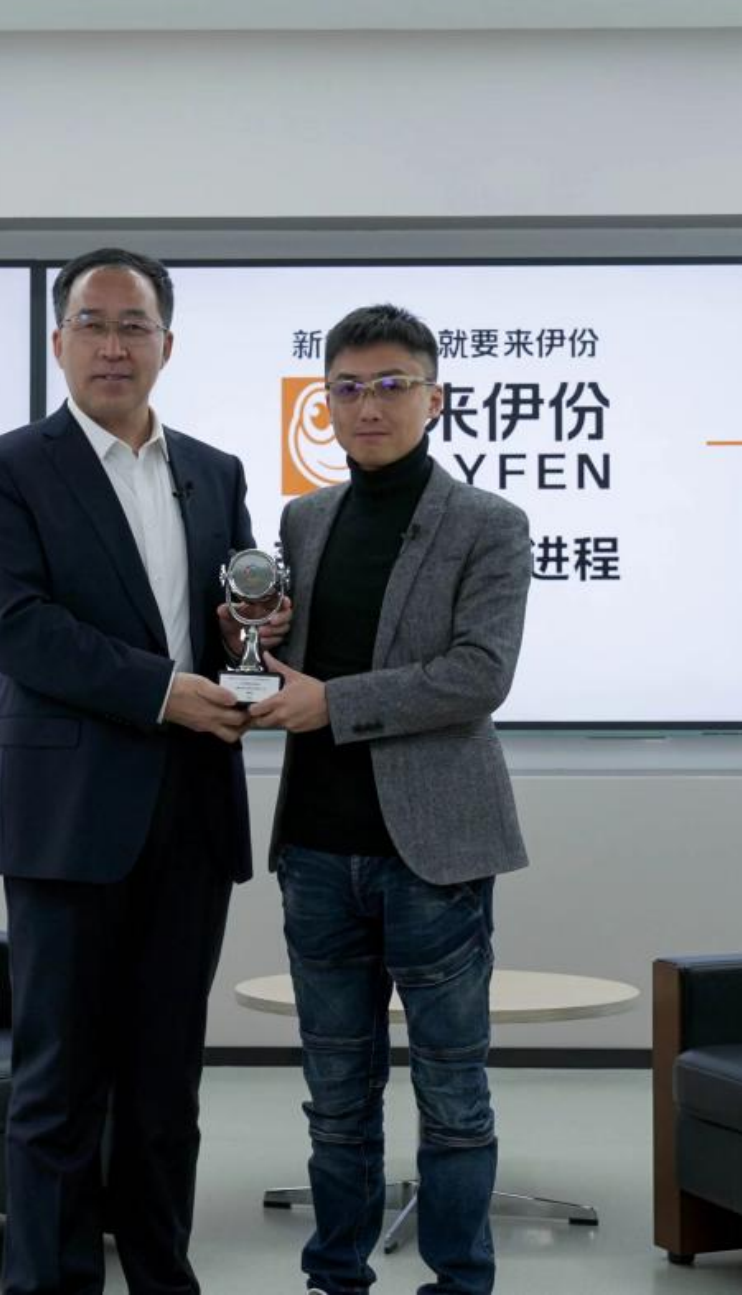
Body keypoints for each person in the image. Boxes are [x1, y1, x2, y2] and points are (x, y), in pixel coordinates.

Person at [0, 247, 289, 1295]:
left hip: (190, 812)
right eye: (92, 324)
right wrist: (164, 691)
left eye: (133, 325)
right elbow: (16, 628)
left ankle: (161, 1279)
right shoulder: (3, 470)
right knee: (57, 1084)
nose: (113, 345)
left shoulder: (214, 470)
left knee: (163, 1085)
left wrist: (252, 630)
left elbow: (231, 618)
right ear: (57, 341)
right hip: (67, 816)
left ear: (166, 345)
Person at [245, 303, 535, 1295]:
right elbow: (287, 661)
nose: (367, 406)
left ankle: (458, 1282)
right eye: (347, 388)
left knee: (452, 1097)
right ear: (323, 402)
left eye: (391, 386)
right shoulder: (303, 520)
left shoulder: (488, 523)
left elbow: (478, 675)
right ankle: (335, 1278)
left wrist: (333, 703)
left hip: (434, 852)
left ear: (433, 398)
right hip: (316, 848)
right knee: (334, 1099)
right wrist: (254, 640)